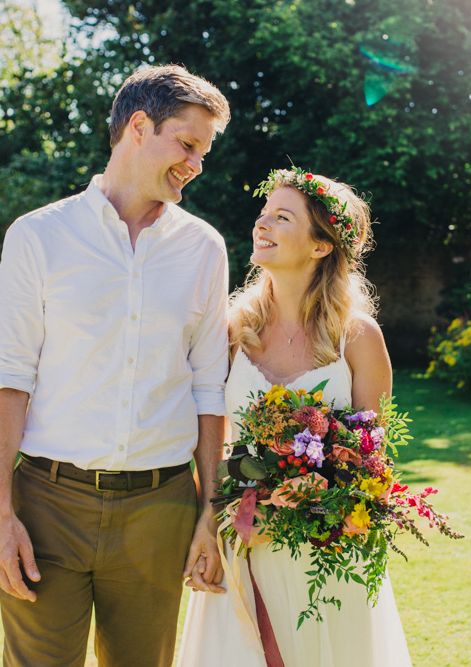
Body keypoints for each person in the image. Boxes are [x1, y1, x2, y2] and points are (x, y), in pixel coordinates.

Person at [0, 64, 231, 666]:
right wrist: (1, 513)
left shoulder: (203, 247)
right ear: (137, 125)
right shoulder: (38, 236)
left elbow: (210, 388)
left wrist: (211, 511)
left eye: (204, 152)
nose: (196, 164)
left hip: (161, 508)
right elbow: (10, 379)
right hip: (47, 506)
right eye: (187, 144)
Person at [178, 167, 412, 666]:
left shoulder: (357, 336)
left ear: (321, 246)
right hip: (243, 542)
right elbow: (211, 441)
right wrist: (214, 523)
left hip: (327, 554)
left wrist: (304, 503)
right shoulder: (228, 331)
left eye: (282, 218)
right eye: (263, 215)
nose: (261, 225)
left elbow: (373, 459)